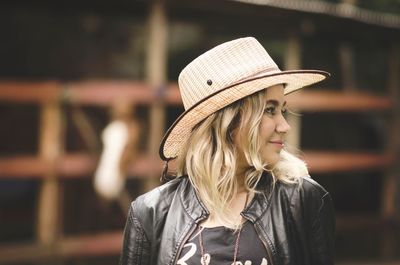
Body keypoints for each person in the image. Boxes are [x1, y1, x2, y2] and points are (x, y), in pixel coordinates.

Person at [119, 37, 335, 265]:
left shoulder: (302, 201)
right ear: (228, 122)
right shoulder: (150, 213)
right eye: (270, 110)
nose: (284, 126)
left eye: (282, 110)